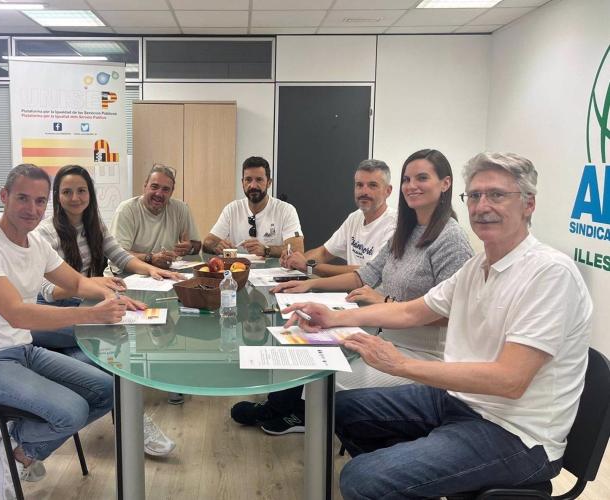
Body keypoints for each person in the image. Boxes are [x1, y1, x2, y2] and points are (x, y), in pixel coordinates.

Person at [284, 152, 593, 499]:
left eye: (497, 195)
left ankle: (401, 477)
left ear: (528, 204)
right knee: (341, 410)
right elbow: (412, 312)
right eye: (474, 195)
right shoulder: (476, 267)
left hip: (516, 433)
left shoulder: (550, 273)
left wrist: (400, 365)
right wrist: (334, 317)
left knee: (361, 479)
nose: (482, 206)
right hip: (461, 401)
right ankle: (414, 478)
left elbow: (510, 380)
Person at [231, 149, 473, 435]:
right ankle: (287, 410)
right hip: (384, 336)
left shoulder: (451, 238)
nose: (412, 186)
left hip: (424, 354)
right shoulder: (406, 232)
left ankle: (307, 419)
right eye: (408, 179)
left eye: (422, 178)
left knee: (323, 378)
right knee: (305, 345)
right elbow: (362, 276)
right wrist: (309, 283)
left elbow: (454, 315)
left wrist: (385, 301)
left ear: (445, 184)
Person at [0, 164, 139, 500]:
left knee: (108, 390)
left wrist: (115, 297)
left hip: (21, 351)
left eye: (39, 201)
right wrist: (91, 315)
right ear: (4, 196)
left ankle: (16, 446)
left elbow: (76, 282)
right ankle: (17, 449)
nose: (32, 209)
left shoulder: (35, 243)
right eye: (22, 198)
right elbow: (17, 314)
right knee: (72, 411)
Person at [33, 165, 180, 456]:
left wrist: (152, 270)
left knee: (98, 364)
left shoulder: (94, 225)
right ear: (57, 196)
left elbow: (121, 256)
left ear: (90, 193)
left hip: (84, 306)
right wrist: (92, 285)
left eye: (81, 190)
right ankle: (134, 422)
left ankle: (129, 421)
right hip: (51, 315)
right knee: (115, 334)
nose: (75, 197)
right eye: (67, 192)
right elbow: (47, 290)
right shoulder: (45, 233)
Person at [280, 159, 396, 277]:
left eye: (372, 185)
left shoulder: (395, 226)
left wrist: (308, 266)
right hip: (350, 288)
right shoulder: (355, 218)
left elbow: (369, 273)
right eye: (359, 185)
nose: (364, 191)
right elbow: (324, 253)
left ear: (388, 191)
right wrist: (294, 261)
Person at [203, 156, 304, 257]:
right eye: (248, 180)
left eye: (259, 180)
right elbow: (207, 242)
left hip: (273, 267)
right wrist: (216, 246)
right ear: (242, 183)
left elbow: (297, 250)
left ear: (269, 183)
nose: (253, 186)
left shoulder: (286, 210)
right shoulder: (232, 209)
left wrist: (266, 250)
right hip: (238, 267)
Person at [109, 163, 200, 272]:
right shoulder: (127, 210)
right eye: (154, 187)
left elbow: (197, 245)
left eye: (165, 189)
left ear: (171, 192)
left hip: (163, 273)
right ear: (145, 186)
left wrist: (190, 248)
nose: (159, 194)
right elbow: (117, 255)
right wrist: (150, 258)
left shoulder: (180, 208)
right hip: (125, 274)